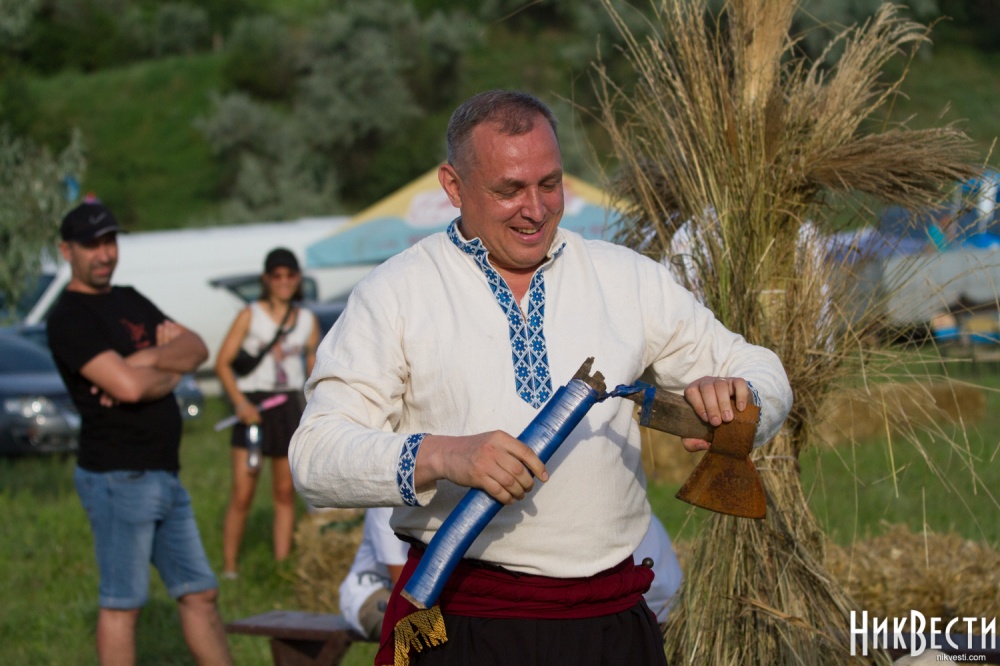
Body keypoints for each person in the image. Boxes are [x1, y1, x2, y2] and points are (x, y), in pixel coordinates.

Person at [289, 90, 793, 665]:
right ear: (453, 186)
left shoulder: (626, 279)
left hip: (612, 626)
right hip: (468, 625)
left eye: (549, 184)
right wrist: (445, 455)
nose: (536, 209)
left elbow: (762, 373)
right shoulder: (396, 294)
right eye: (508, 190)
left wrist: (739, 399)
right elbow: (315, 457)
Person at [47, 201, 231, 666]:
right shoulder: (70, 317)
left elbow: (197, 347)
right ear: (67, 251)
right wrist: (167, 366)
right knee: (122, 603)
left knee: (201, 593)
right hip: (117, 476)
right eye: (92, 245)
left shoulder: (130, 299)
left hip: (165, 473)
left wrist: (144, 361)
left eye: (110, 242)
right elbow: (127, 389)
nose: (105, 253)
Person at [340, 508, 680, 640]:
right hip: (381, 592)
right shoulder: (392, 500)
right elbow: (410, 591)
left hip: (640, 606)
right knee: (421, 634)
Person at [214, 248, 320, 578]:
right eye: (277, 276)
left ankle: (281, 564)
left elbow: (314, 369)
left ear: (298, 278)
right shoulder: (251, 314)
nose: (284, 282)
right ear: (266, 279)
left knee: (285, 492)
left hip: (288, 406)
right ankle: (229, 567)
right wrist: (240, 403)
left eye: (290, 275)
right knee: (243, 491)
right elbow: (222, 363)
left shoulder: (306, 320)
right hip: (254, 407)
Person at [339, 507, 409, 640]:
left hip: (414, 590)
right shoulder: (388, 503)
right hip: (371, 588)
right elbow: (404, 586)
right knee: (417, 632)